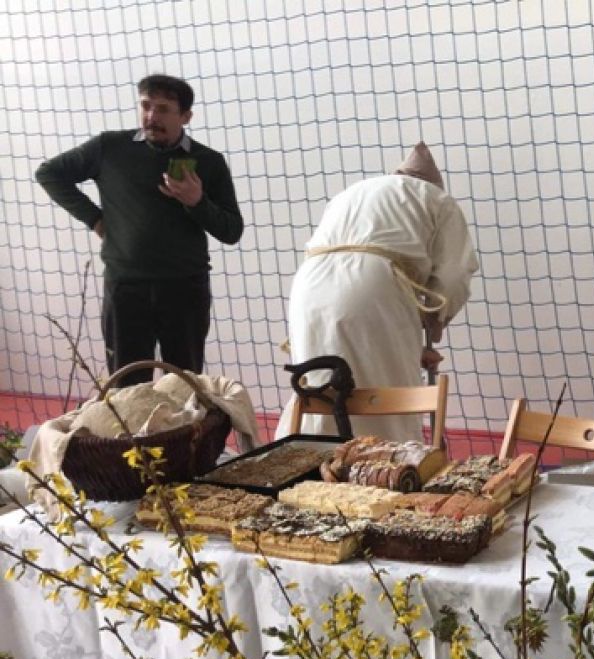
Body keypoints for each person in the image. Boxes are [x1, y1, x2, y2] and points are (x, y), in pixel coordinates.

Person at [35, 74, 244, 387]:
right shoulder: (109, 148)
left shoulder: (208, 161)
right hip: (126, 288)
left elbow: (232, 231)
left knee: (184, 387)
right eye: (146, 106)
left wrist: (197, 201)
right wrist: (95, 219)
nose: (151, 116)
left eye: (163, 109)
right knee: (126, 389)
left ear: (186, 116)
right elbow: (49, 173)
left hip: (185, 290)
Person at [280, 142, 479, 441]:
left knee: (318, 385)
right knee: (386, 388)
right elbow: (454, 275)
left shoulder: (352, 192)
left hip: (309, 286)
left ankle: (310, 460)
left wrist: (413, 344)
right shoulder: (437, 198)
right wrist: (434, 324)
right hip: (373, 281)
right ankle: (387, 462)